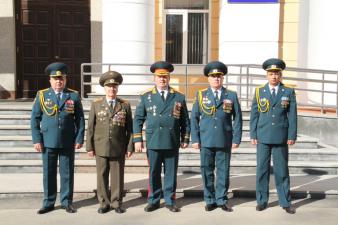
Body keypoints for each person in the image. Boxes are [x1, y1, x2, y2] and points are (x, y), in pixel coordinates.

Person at [133, 61, 190, 212]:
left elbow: (185, 120)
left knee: (171, 172)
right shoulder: (146, 97)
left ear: (169, 78)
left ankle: (170, 200)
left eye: (165, 77)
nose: (162, 79)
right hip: (154, 141)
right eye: (159, 77)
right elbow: (138, 119)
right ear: (154, 78)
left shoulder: (178, 97)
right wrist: (137, 139)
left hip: (171, 140)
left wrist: (185, 138)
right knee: (154, 172)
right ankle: (154, 200)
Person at [31, 62, 85, 214]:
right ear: (50, 80)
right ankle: (48, 202)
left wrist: (79, 138)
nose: (58, 81)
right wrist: (37, 140)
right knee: (49, 173)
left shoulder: (73, 95)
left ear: (65, 79)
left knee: (67, 173)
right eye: (55, 79)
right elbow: (34, 119)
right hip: (47, 141)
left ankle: (67, 202)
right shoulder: (42, 95)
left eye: (61, 78)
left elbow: (79, 119)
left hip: (67, 140)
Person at [191, 61, 242, 212]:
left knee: (223, 171)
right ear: (208, 78)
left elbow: (237, 118)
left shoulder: (231, 95)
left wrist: (236, 138)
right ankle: (209, 199)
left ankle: (221, 199)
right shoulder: (201, 95)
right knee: (206, 171)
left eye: (219, 76)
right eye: (213, 76)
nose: (216, 79)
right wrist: (195, 139)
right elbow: (194, 117)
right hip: (206, 140)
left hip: (224, 139)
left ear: (223, 78)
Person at [250, 58, 297, 214]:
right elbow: (254, 115)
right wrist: (253, 134)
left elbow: (292, 115)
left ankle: (285, 201)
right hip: (263, 136)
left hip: (281, 136)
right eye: (271, 74)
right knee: (262, 170)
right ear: (267, 75)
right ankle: (262, 200)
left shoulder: (288, 91)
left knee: (282, 170)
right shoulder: (259, 91)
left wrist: (292, 135)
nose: (274, 77)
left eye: (277, 74)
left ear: (281, 75)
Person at [86, 70, 133, 214]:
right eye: (109, 87)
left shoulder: (124, 105)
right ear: (104, 88)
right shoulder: (96, 104)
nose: (111, 89)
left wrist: (129, 147)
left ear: (117, 88)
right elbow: (90, 127)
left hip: (118, 146)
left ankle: (116, 203)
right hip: (100, 145)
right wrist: (89, 147)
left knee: (117, 176)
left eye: (114, 87)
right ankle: (103, 203)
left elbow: (130, 128)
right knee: (101, 176)